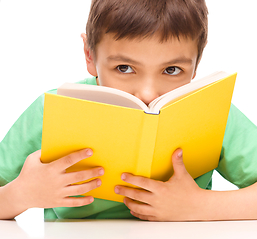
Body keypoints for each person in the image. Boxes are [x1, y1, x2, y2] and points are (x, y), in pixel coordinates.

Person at [1, 0, 257, 221]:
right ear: (90, 54)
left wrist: (198, 206)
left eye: (171, 70)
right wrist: (20, 194)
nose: (147, 94)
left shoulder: (212, 111)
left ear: (196, 63)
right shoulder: (53, 109)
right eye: (124, 68)